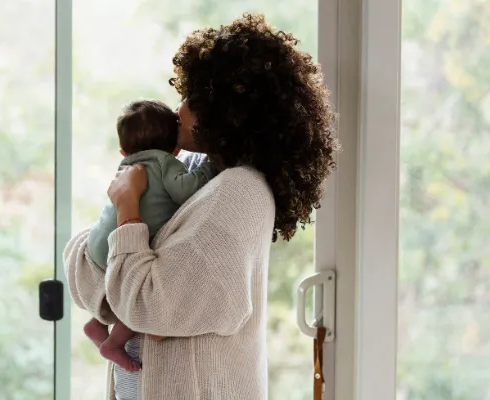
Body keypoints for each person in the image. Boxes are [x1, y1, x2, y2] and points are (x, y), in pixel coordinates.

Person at [64, 13, 338, 400]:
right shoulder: (189, 173)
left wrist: (127, 209)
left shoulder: (240, 194)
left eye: (193, 98)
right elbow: (83, 267)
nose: (178, 108)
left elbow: (148, 307)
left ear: (230, 111)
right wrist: (129, 292)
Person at [83, 99, 214, 372]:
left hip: (97, 243)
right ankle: (114, 343)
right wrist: (209, 166)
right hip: (125, 243)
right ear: (175, 148)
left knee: (121, 284)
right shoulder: (165, 161)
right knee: (138, 297)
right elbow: (185, 190)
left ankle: (97, 323)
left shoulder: (126, 165)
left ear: (122, 149)